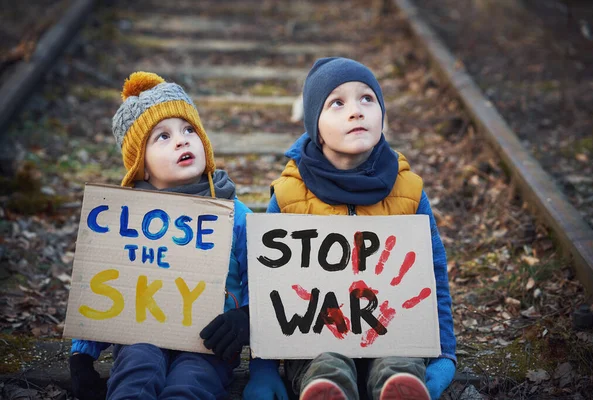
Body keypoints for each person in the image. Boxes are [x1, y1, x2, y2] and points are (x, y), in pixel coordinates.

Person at [68, 71, 286, 400]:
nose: (182, 140)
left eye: (188, 130)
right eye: (163, 137)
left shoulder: (235, 213)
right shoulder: (125, 216)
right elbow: (102, 287)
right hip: (138, 334)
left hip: (208, 343)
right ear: (141, 166)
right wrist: (82, 356)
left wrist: (246, 319)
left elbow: (263, 279)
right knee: (136, 370)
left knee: (193, 382)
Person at [259, 57, 457, 400]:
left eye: (367, 99)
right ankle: (327, 391)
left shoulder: (408, 191)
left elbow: (433, 275)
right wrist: (262, 369)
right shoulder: (288, 195)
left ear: (383, 114)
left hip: (394, 331)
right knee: (324, 363)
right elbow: (266, 288)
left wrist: (444, 357)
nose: (356, 111)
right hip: (317, 339)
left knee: (400, 360)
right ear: (314, 126)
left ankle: (401, 388)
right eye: (337, 103)